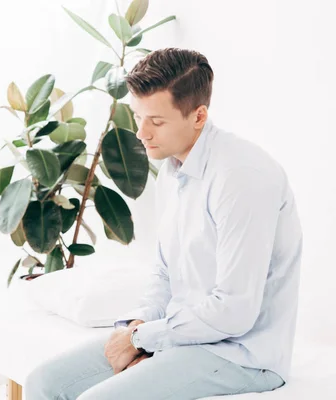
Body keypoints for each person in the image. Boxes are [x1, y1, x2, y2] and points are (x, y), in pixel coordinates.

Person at [24, 48, 302, 399]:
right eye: (138, 117)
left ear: (198, 116)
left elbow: (235, 311)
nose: (141, 134)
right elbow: (165, 274)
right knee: (42, 382)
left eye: (156, 122)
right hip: (179, 337)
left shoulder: (242, 177)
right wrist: (139, 330)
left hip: (240, 354)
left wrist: (144, 339)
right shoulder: (171, 172)